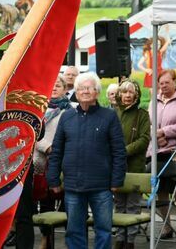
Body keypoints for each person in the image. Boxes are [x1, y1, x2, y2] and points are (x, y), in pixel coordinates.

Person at [47, 72, 126, 249]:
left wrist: (116, 181)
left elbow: (119, 151)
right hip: (73, 186)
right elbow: (57, 150)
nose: (84, 92)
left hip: (102, 186)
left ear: (97, 92)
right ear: (75, 92)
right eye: (81, 88)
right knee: (74, 231)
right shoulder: (67, 117)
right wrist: (53, 179)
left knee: (104, 230)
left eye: (89, 88)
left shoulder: (109, 116)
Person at [146, 69, 176, 243]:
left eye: (166, 82)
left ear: (175, 82)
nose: (163, 86)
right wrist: (158, 137)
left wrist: (163, 132)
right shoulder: (154, 101)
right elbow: (149, 123)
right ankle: (167, 226)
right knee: (160, 192)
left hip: (174, 152)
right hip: (156, 150)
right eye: (161, 83)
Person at [33, 74, 72, 249]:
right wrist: (48, 147)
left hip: (65, 162)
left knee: (67, 202)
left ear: (65, 89)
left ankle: (69, 239)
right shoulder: (38, 109)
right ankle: (45, 239)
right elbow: (32, 134)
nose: (54, 88)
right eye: (52, 84)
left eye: (59, 85)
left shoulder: (71, 110)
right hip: (42, 161)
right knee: (46, 203)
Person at [114, 80, 150, 249]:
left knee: (133, 206)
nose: (127, 95)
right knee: (119, 204)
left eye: (131, 92)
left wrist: (124, 151)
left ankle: (130, 241)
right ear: (119, 94)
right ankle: (120, 238)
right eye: (124, 92)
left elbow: (144, 139)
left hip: (135, 167)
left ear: (136, 95)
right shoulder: (114, 113)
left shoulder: (142, 114)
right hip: (116, 167)